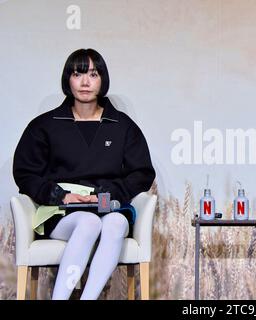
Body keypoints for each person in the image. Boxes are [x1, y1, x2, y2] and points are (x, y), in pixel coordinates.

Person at [13, 48, 155, 300]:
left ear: (103, 80)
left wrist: (106, 194)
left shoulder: (122, 125)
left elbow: (142, 172)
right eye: (78, 74)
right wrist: (61, 195)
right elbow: (25, 173)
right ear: (68, 79)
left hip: (107, 207)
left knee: (117, 222)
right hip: (62, 213)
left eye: (93, 74)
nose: (86, 82)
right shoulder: (45, 125)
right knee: (88, 222)